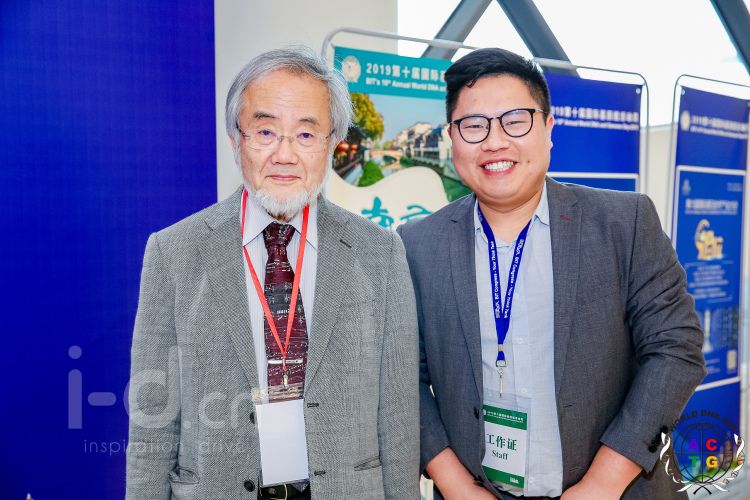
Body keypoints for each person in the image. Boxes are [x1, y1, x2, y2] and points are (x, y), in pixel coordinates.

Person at [398, 48, 705, 499]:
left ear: (548, 128)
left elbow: (676, 350)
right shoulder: (416, 245)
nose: (495, 141)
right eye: (474, 125)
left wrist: (602, 484)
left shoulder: (624, 224)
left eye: (515, 120)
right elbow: (403, 374)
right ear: (451, 138)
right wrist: (454, 484)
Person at [126, 46, 419, 500]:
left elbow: (398, 417)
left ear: (332, 144)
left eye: (306, 134)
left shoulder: (380, 252)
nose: (285, 154)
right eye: (265, 131)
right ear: (235, 140)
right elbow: (152, 421)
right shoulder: (174, 252)